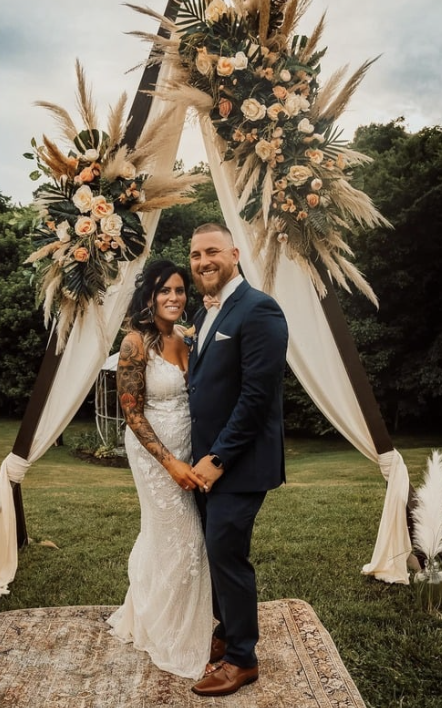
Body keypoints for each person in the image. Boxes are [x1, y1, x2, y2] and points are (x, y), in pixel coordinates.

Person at [187, 223, 288, 697]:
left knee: (227, 553)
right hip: (206, 463)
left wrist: (219, 458)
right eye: (194, 255)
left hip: (239, 463)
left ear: (234, 253)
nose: (203, 261)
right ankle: (226, 631)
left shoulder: (260, 309)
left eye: (211, 251)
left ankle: (242, 659)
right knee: (214, 550)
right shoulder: (205, 312)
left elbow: (256, 397)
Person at [107, 260, 212, 680]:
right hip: (155, 455)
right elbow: (131, 413)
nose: (174, 297)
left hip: (189, 445)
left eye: (180, 290)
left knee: (167, 536)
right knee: (183, 536)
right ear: (149, 296)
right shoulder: (136, 344)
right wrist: (169, 463)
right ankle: (171, 633)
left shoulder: (184, 338)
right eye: (165, 290)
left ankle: (151, 614)